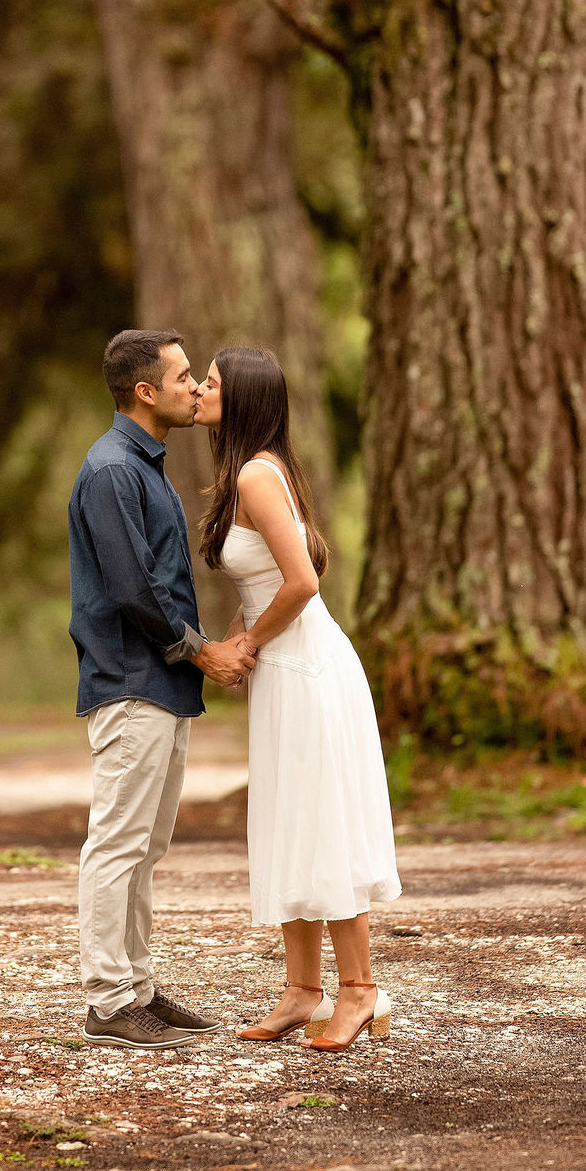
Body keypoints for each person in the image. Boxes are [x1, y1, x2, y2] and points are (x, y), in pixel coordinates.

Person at [194, 345, 402, 1053]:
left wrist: (248, 645)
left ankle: (360, 991)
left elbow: (303, 582)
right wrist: (240, 631)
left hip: (307, 668)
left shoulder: (256, 473)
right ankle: (301, 991)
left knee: (324, 825)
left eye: (212, 384)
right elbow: (263, 584)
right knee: (291, 821)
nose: (198, 391)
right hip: (286, 670)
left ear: (243, 399)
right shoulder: (254, 470)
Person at [68, 328, 257, 1049]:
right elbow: (132, 591)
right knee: (117, 843)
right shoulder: (113, 470)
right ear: (145, 392)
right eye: (182, 377)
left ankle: (137, 987)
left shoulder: (143, 466)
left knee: (146, 845)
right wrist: (202, 652)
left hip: (160, 685)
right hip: (132, 683)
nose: (195, 387)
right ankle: (109, 1001)